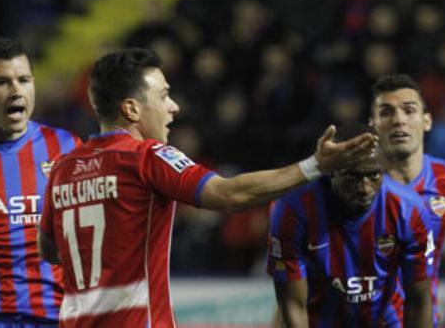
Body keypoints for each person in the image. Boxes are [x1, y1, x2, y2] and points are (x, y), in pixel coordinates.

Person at [36, 48, 376, 327]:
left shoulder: (63, 168)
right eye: (164, 96)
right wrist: (315, 165)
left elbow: (50, 249)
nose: (174, 107)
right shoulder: (146, 156)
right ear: (131, 109)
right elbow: (228, 194)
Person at [267, 122, 434, 328]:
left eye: (373, 175)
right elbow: (292, 304)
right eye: (353, 176)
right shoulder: (293, 210)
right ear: (331, 171)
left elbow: (420, 300)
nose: (364, 188)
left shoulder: (410, 211)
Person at [0, 37, 81, 327]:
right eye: (2, 82)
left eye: (24, 79)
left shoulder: (67, 146)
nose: (16, 91)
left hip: (54, 317)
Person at [369, 73, 445, 327]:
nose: (399, 120)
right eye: (387, 112)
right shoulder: (352, 184)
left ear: (427, 121)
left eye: (409, 110)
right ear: (373, 125)